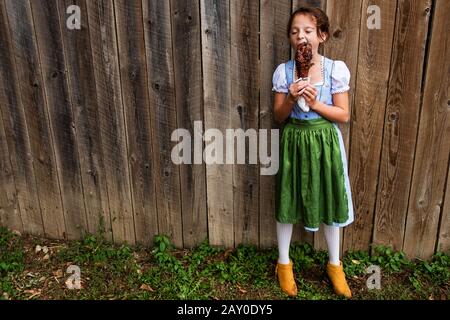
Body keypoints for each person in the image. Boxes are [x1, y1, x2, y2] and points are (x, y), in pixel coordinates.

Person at [272, 7, 354, 298]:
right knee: (288, 197)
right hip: (294, 140)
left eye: (307, 31)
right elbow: (279, 115)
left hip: (325, 143)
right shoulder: (284, 72)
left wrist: (316, 103)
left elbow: (343, 115)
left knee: (330, 196)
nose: (300, 37)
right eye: (294, 32)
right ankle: (284, 263)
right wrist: (292, 98)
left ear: (322, 36)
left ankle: (334, 265)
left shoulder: (335, 69)